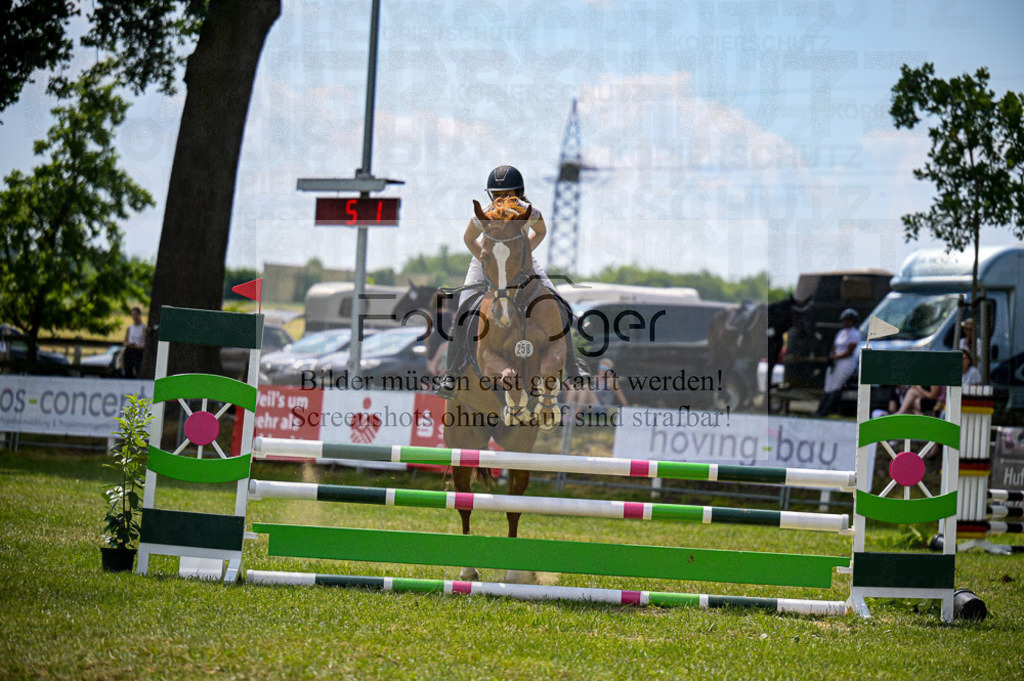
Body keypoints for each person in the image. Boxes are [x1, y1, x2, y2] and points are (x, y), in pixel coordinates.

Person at [436, 165, 559, 398]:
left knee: (556, 300)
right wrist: (488, 262)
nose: (501, 199)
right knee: (464, 309)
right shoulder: (483, 214)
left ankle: (574, 366)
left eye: (508, 194)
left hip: (520, 260)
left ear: (519, 193)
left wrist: (522, 256)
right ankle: (451, 372)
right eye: (497, 195)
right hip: (487, 260)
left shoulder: (530, 213)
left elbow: (541, 232)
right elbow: (468, 239)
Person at [815, 308, 861, 416]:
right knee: (828, 385)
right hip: (836, 362)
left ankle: (827, 409)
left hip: (846, 362)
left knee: (836, 385)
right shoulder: (841, 333)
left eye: (848, 320)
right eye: (845, 320)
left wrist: (836, 357)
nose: (846, 322)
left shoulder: (855, 334)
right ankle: (820, 409)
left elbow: (850, 351)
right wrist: (832, 356)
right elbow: (835, 347)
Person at [122, 307, 146, 378]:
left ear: (139, 315)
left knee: (138, 369)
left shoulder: (143, 328)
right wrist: (129, 344)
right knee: (128, 370)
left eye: (136, 315)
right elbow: (125, 341)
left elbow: (145, 343)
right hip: (130, 350)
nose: (134, 317)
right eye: (133, 315)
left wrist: (137, 347)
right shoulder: (130, 328)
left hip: (139, 351)